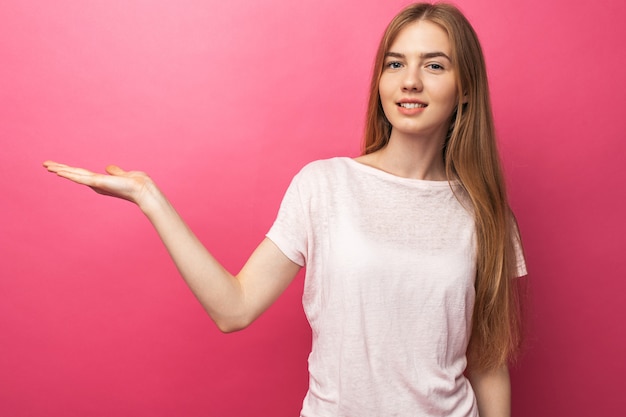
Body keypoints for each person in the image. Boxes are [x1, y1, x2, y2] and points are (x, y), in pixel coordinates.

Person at [44, 2, 526, 416]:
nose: (411, 81)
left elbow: (486, 362)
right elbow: (234, 308)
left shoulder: (485, 214)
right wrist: (150, 198)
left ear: (466, 89)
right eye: (396, 64)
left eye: (435, 66)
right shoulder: (325, 186)